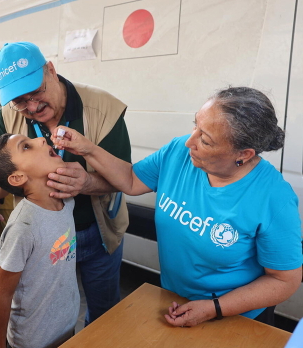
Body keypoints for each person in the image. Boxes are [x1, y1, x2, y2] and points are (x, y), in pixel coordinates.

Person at [50, 86, 303, 327]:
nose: (189, 142)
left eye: (205, 139)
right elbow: (130, 179)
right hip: (175, 300)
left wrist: (214, 307)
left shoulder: (274, 198)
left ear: (244, 154)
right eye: (196, 125)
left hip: (237, 316)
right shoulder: (178, 153)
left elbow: (284, 280)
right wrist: (87, 149)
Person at [0, 42, 131, 325]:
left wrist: (87, 182)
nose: (32, 107)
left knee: (105, 318)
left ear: (51, 70)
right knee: (49, 317)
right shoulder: (7, 117)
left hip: (97, 235)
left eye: (37, 92)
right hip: (42, 245)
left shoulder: (105, 108)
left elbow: (126, 179)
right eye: (20, 101)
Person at [0, 133, 79, 348]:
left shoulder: (67, 201)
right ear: (18, 177)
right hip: (33, 340)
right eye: (27, 147)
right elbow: (2, 296)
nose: (41, 140)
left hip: (67, 327)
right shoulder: (22, 227)